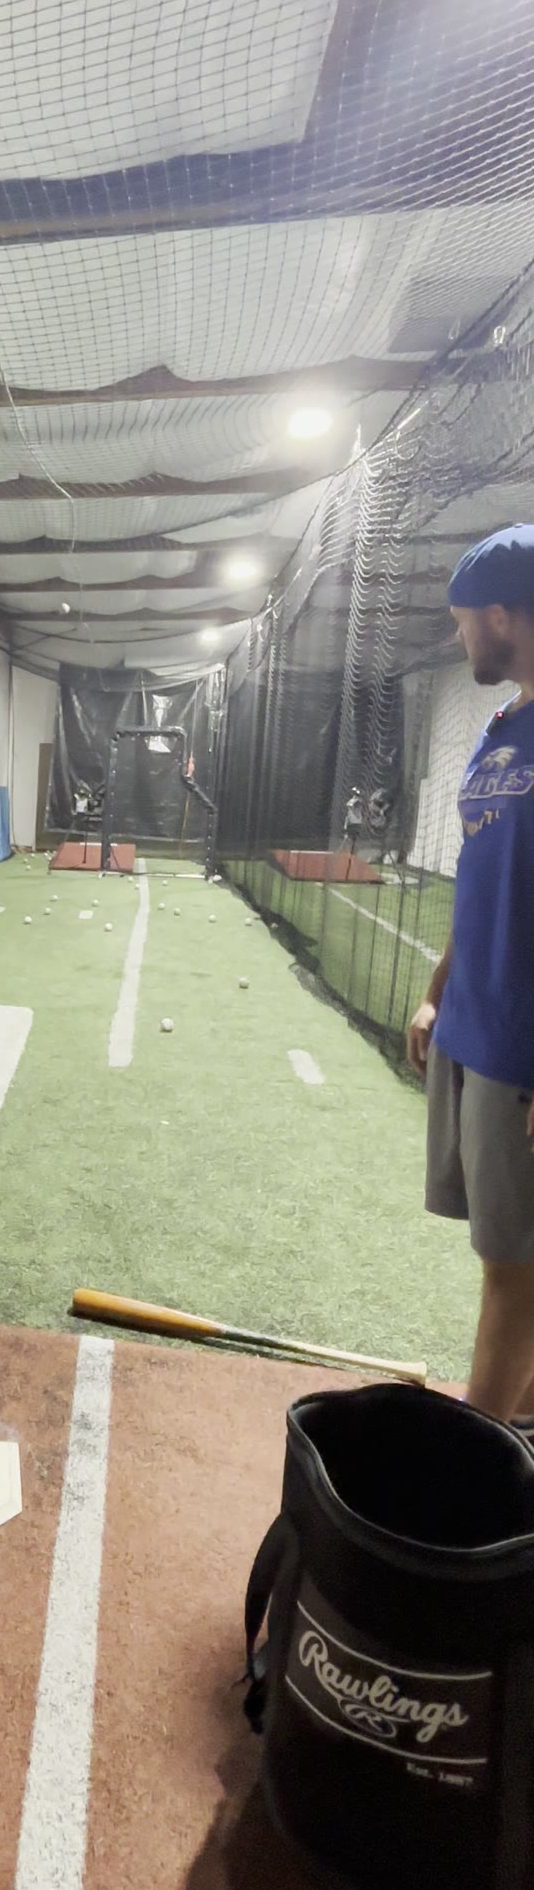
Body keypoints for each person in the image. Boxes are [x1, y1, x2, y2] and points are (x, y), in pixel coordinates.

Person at [408, 526, 534, 1423]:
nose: (461, 641)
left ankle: (477, 1468)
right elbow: (480, 865)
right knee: (506, 1259)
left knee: (515, 1275)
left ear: (502, 615)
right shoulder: (500, 728)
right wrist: (437, 987)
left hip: (522, 1049)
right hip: (471, 1027)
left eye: (463, 624)